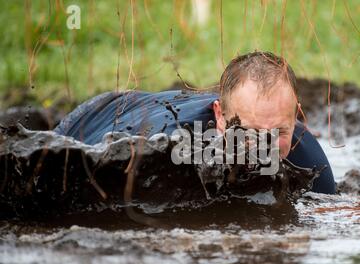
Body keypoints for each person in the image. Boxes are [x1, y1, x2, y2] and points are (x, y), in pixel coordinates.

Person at [54, 51, 336, 194]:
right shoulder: (171, 148)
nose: (263, 147)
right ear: (219, 116)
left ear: (296, 116)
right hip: (97, 117)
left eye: (278, 132)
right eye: (248, 132)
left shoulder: (313, 168)